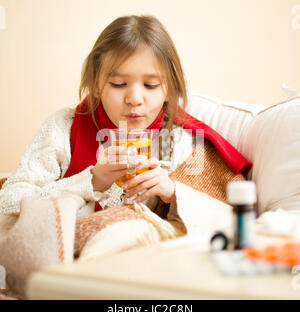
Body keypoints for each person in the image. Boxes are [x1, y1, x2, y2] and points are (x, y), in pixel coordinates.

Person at [0, 15, 251, 216]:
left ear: (168, 90)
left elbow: (239, 211)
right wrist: (91, 181)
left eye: (151, 85)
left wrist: (173, 193)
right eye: (118, 84)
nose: (134, 98)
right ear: (96, 84)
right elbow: (7, 202)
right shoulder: (64, 127)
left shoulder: (179, 141)